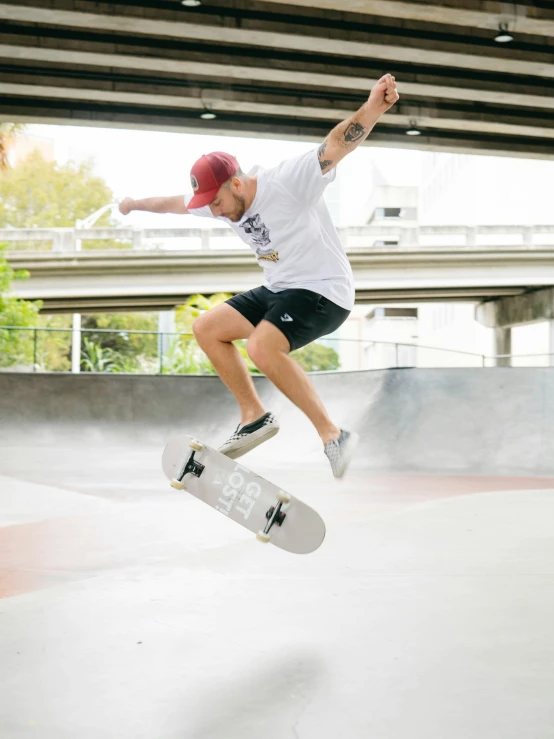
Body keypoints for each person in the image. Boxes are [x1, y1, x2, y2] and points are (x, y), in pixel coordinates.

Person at [120, 74, 399, 477]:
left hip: (324, 290)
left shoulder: (287, 181)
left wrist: (373, 108)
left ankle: (333, 435)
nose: (215, 212)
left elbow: (336, 145)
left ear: (237, 182)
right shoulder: (218, 199)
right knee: (207, 328)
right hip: (280, 288)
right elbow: (172, 203)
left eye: (218, 202)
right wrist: (133, 204)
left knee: (263, 348)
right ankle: (254, 416)